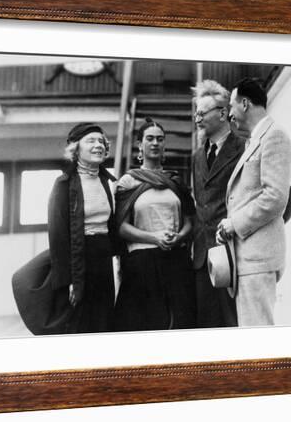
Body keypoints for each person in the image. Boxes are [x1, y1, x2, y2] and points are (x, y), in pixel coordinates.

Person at [217, 78, 291, 326]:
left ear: (245, 104)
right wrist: (228, 226)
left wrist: (235, 224)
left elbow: (275, 197)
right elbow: (249, 196)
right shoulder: (255, 139)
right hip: (247, 259)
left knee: (258, 337)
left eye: (232, 105)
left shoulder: (275, 137)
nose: (230, 114)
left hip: (258, 260)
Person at [113, 118, 196, 331]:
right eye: (149, 138)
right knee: (145, 324)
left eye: (160, 139)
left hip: (175, 259)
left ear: (165, 144)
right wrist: (154, 237)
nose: (155, 143)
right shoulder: (129, 181)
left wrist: (179, 237)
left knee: (180, 322)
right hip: (142, 263)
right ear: (140, 144)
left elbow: (189, 221)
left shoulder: (175, 181)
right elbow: (121, 227)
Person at [47, 122, 117, 333]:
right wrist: (69, 281)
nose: (99, 145)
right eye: (91, 141)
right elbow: (58, 236)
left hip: (102, 259)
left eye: (101, 141)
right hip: (79, 260)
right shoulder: (64, 184)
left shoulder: (107, 181)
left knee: (103, 319)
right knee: (81, 322)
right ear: (76, 148)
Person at [191, 80, 245, 328]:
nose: (197, 119)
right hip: (204, 258)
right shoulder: (197, 156)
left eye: (202, 113)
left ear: (223, 113)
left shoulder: (245, 148)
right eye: (196, 113)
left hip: (236, 253)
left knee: (235, 325)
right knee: (207, 327)